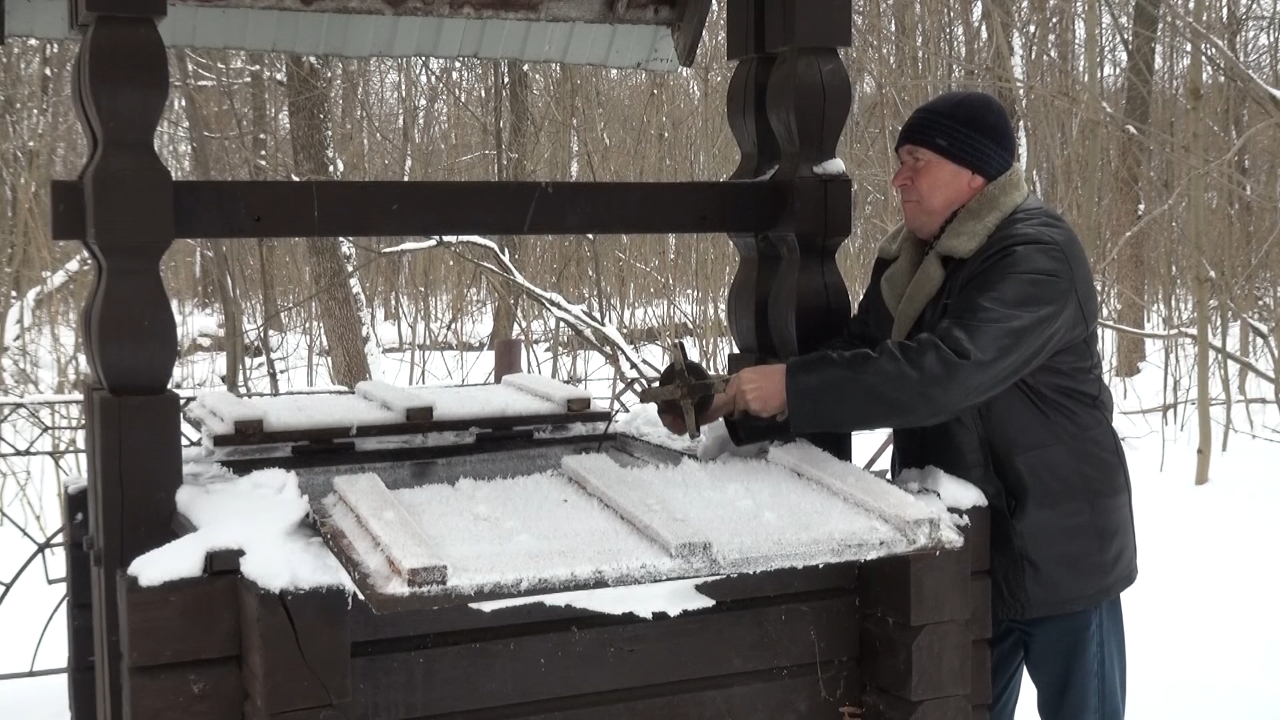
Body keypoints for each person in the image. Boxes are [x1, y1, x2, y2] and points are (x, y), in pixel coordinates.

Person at [661, 90, 1136, 720]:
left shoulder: (1036, 256)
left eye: (917, 161)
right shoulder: (914, 259)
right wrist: (737, 400)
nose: (899, 178)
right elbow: (861, 354)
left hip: (1062, 555)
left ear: (975, 172)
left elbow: (941, 373)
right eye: (898, 160)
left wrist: (792, 387)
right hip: (969, 552)